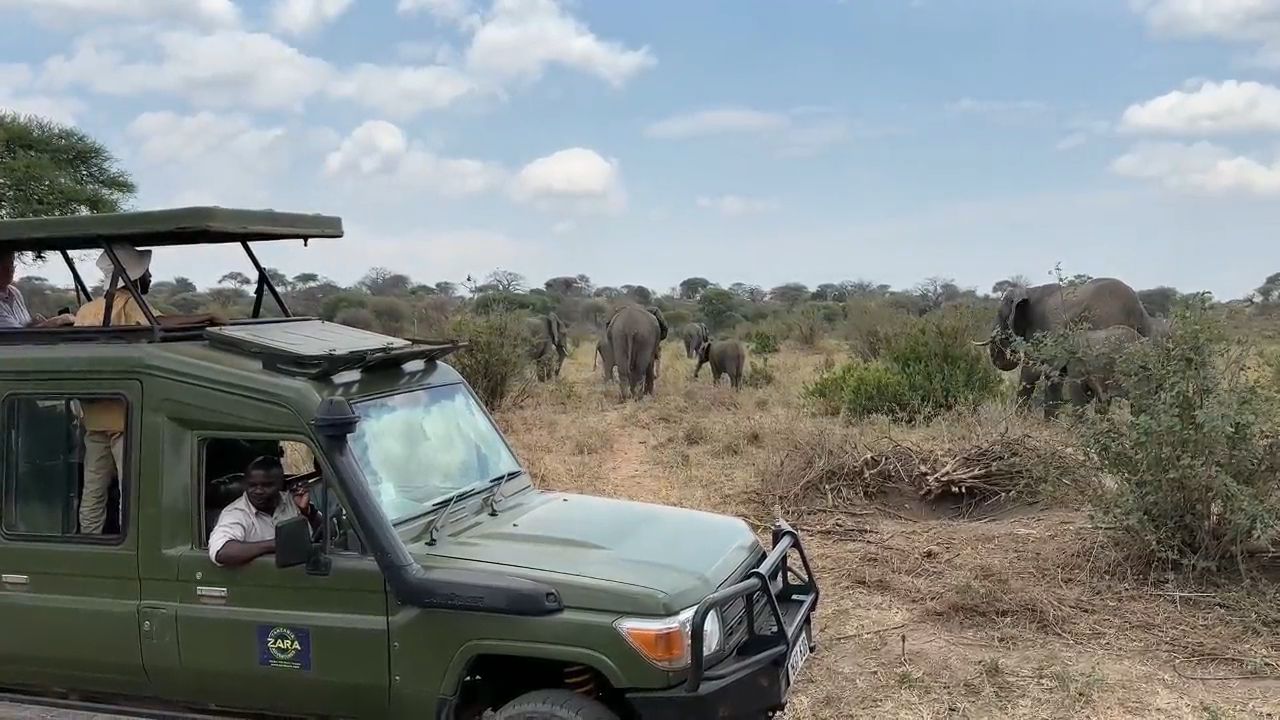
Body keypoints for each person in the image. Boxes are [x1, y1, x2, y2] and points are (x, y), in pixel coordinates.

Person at [74, 243, 225, 533]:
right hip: (125, 416)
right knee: (130, 491)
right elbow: (161, 323)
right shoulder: (132, 304)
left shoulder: (87, 310)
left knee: (93, 491)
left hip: (94, 417)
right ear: (133, 276)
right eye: (146, 272)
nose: (150, 277)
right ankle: (127, 545)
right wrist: (205, 318)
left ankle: (90, 540)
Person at [208, 456, 323, 567]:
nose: (258, 491)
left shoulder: (290, 500)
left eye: (266, 485)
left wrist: (308, 511)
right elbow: (221, 551)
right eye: (252, 485)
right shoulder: (236, 513)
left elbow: (327, 534)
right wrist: (276, 544)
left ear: (280, 484)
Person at [0, 250, 74, 329]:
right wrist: (54, 322)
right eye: (4, 266)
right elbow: (15, 337)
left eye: (11, 264)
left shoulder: (14, 292)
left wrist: (34, 323)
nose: (10, 270)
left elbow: (24, 327)